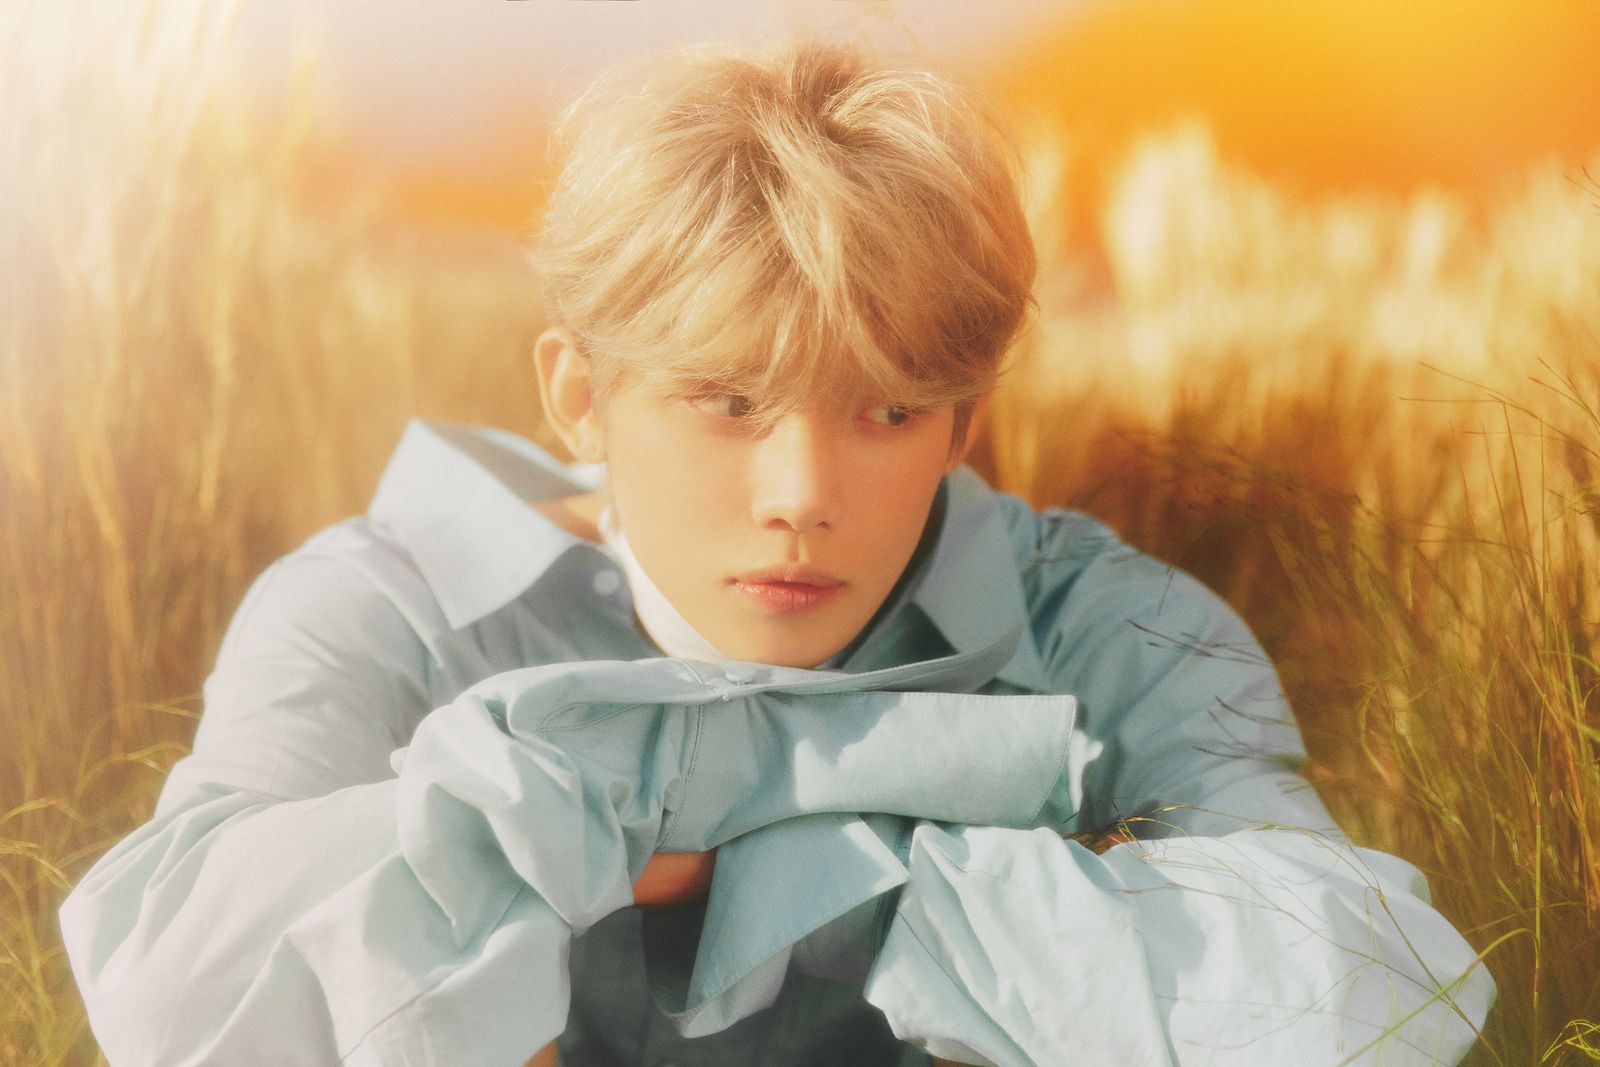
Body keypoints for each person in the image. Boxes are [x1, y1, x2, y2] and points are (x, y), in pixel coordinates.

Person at [60, 39, 1494, 1066]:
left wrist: (813, 838)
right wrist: (680, 779)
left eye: (885, 410)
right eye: (729, 403)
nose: (803, 492)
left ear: (965, 421)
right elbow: (177, 985)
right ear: (580, 394)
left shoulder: (1111, 624)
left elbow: (1368, 999)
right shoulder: (377, 608)